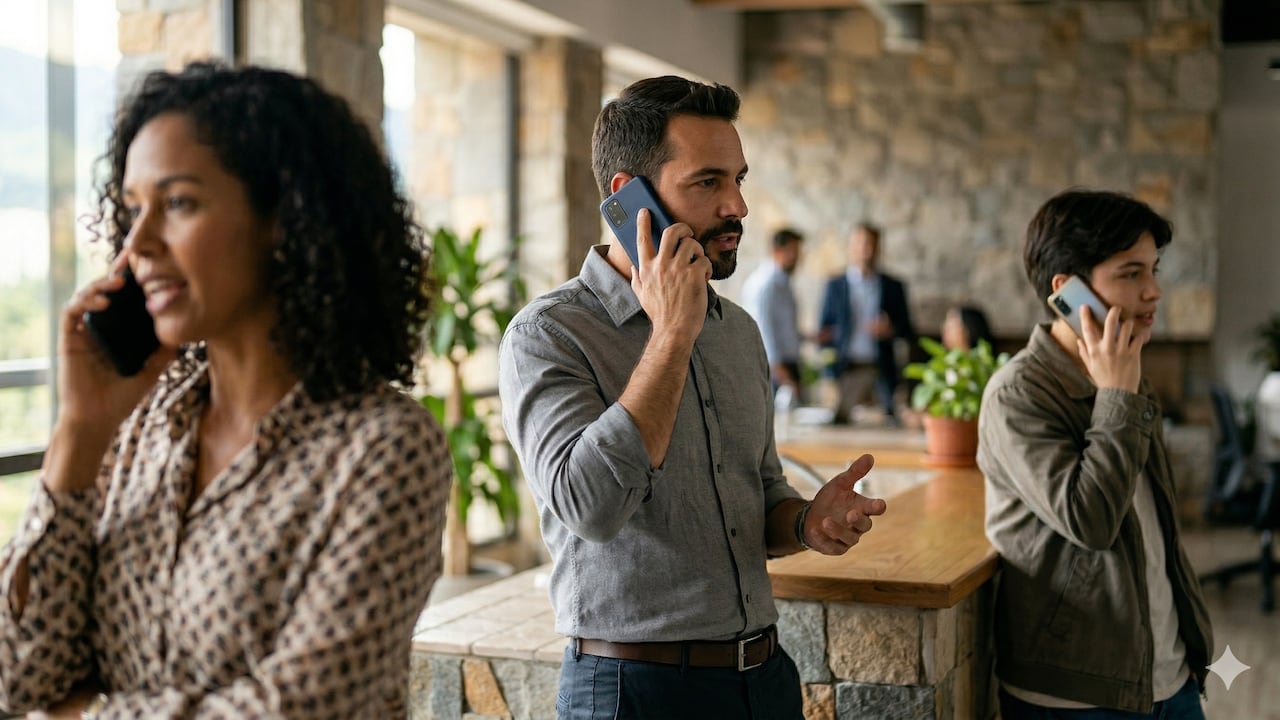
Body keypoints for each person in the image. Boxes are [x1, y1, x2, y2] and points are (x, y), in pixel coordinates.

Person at [0, 63, 451, 718]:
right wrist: (78, 433)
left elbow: (293, 711)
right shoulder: (138, 424)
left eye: (178, 203)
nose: (139, 244)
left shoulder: (384, 449)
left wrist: (83, 714)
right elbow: (18, 679)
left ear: (284, 218)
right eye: (131, 210)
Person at [499, 75, 887, 720]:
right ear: (630, 198)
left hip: (763, 681)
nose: (737, 205)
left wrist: (803, 522)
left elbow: (757, 494)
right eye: (708, 182)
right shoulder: (549, 334)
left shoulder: (738, 332)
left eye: (739, 179)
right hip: (632, 692)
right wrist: (671, 335)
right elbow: (589, 507)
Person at [978, 189, 1213, 718]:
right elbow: (1092, 522)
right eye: (1131, 274)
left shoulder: (1126, 371)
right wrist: (1116, 399)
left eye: (1154, 271)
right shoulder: (1018, 394)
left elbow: (1159, 529)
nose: (1154, 292)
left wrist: (1189, 638)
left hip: (1167, 672)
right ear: (1067, 291)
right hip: (1077, 694)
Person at [817, 222, 915, 425]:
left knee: (892, 423)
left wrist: (890, 330)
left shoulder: (893, 287)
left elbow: (907, 329)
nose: (865, 250)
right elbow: (824, 332)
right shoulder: (835, 286)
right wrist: (829, 371)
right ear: (851, 246)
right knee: (839, 424)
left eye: (870, 244)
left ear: (879, 248)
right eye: (861, 244)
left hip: (882, 369)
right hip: (847, 369)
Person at [741, 228, 805, 400]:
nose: (798, 258)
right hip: (774, 369)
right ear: (777, 250)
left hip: (789, 365)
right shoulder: (764, 286)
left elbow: (785, 328)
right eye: (794, 252)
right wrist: (785, 378)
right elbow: (763, 333)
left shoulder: (784, 283)